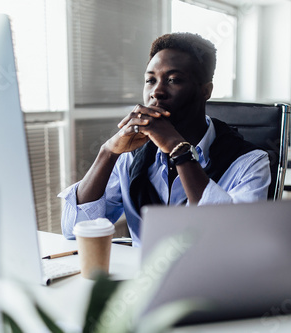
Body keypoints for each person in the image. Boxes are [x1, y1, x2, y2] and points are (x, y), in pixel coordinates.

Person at [59, 32, 271, 247]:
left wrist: (178, 149)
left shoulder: (250, 161)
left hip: (212, 278)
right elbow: (74, 230)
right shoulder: (132, 154)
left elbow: (231, 238)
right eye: (150, 80)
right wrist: (108, 152)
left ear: (205, 91)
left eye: (173, 80)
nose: (157, 91)